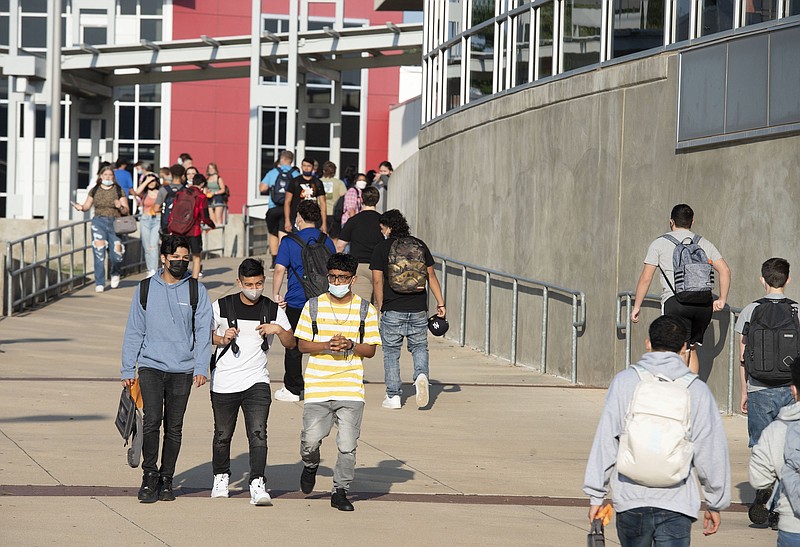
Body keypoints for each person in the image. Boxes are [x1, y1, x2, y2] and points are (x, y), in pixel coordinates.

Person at [583, 315, 731, 546]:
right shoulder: (697, 390)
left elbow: (606, 440)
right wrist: (715, 502)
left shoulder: (625, 382)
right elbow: (711, 451)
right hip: (677, 503)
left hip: (631, 500)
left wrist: (596, 495)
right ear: (684, 348)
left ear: (648, 344)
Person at [121, 234, 213, 503]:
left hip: (182, 370)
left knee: (174, 427)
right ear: (163, 258)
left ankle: (167, 479)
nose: (181, 263)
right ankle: (149, 476)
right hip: (150, 365)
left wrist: (200, 367)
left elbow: (202, 332)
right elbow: (134, 330)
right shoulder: (145, 288)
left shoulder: (197, 290)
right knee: (151, 422)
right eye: (175, 258)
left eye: (185, 259)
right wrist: (128, 369)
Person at [294, 253, 381, 511]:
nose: (337, 281)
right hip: (318, 385)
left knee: (347, 445)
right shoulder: (313, 306)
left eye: (342, 278)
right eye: (332, 276)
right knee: (310, 440)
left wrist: (351, 345)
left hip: (350, 387)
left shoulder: (366, 309)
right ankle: (310, 465)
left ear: (352, 279)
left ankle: (340, 490)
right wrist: (326, 345)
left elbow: (371, 350)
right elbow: (301, 344)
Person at [209, 258, 295, 505]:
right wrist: (221, 338)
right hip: (224, 381)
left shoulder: (273, 309)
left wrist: (278, 330)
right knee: (222, 434)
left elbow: (291, 344)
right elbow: (203, 335)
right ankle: (221, 476)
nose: (254, 288)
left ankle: (257, 482)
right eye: (248, 284)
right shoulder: (221, 306)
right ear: (239, 282)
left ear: (264, 281)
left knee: (258, 434)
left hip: (257, 380)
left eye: (258, 283)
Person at [630, 204, 731, 374]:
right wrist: (722, 299)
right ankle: (691, 390)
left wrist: (637, 307)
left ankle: (677, 390)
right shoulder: (703, 242)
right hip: (703, 305)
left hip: (675, 302)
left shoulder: (660, 243)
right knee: (691, 348)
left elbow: (646, 278)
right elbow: (725, 270)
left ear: (671, 222)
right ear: (692, 221)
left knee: (675, 350)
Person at [736, 257, 799, 526]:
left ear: (762, 280)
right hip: (790, 388)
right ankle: (778, 508)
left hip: (759, 388)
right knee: (788, 448)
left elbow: (742, 356)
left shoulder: (750, 310)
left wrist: (744, 392)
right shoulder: (797, 310)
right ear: (788, 280)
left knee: (762, 445)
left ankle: (765, 489)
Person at [370, 209, 446, 409]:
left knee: (391, 352)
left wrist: (380, 306)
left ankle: (393, 396)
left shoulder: (382, 248)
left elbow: (377, 280)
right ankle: (421, 375)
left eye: (382, 228)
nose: (382, 232)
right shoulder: (419, 245)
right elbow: (431, 276)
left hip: (393, 308)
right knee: (419, 347)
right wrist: (441, 303)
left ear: (389, 227)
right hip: (418, 307)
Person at [271, 200, 336, 402]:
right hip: (323, 301)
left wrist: (276, 294)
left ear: (299, 216)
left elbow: (280, 269)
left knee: (293, 346)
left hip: (297, 301)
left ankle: (293, 389)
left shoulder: (289, 242)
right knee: (324, 344)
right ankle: (323, 386)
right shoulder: (327, 241)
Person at [750, 362, 800, 545]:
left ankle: (774, 507)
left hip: (793, 526)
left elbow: (758, 479)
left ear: (793, 390)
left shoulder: (777, 429)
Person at [73, 166, 130, 293]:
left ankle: (115, 272)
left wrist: (120, 206)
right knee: (99, 253)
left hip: (115, 223)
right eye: (105, 175)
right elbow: (87, 206)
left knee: (116, 255)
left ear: (113, 177)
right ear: (100, 176)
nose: (108, 177)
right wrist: (80, 207)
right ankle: (100, 282)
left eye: (110, 175)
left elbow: (126, 210)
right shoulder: (95, 190)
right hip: (98, 222)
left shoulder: (118, 190)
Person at [336, 186, 382, 303]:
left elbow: (340, 245)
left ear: (361, 199)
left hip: (359, 266)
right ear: (377, 200)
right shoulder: (383, 221)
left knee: (361, 305)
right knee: (378, 305)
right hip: (379, 266)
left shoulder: (354, 220)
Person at [259, 150, 299, 271]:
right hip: (289, 208)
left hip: (273, 208)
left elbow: (262, 188)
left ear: (281, 159)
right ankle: (284, 260)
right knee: (285, 233)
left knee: (273, 233)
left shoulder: (273, 172)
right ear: (291, 160)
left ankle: (274, 260)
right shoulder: (296, 174)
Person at [173, 172, 215, 280]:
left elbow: (174, 211)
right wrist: (212, 225)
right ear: (202, 184)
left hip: (178, 229)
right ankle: (194, 281)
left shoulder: (180, 193)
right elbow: (205, 216)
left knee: (179, 255)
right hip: (193, 230)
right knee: (196, 256)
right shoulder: (201, 196)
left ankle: (177, 278)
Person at [284, 157, 327, 234]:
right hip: (297, 217)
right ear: (301, 167)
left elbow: (323, 203)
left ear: (313, 167)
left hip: (313, 218)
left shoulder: (317, 182)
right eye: (304, 165)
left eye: (309, 166)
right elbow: (287, 202)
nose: (306, 168)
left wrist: (324, 223)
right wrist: (287, 220)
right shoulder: (295, 181)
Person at [134, 172, 162, 277]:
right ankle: (149, 268)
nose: (151, 183)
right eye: (149, 181)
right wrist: (146, 181)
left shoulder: (160, 192)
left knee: (153, 245)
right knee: (146, 246)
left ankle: (153, 270)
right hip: (145, 219)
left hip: (157, 219)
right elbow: (137, 192)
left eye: (153, 181)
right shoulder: (144, 193)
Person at [155, 164, 187, 235]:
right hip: (181, 226)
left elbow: (156, 209)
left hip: (166, 226)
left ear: (171, 174)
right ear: (183, 176)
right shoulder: (186, 191)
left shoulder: (163, 190)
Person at [320, 161, 347, 240]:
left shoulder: (318, 182)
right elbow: (343, 197)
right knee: (334, 238)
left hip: (320, 213)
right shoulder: (339, 183)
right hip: (335, 214)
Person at [205, 162, 228, 226]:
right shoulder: (207, 179)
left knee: (218, 217)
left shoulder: (219, 178)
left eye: (212, 168)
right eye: (209, 168)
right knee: (211, 217)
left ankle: (219, 231)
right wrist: (207, 191)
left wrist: (215, 192)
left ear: (215, 169)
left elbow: (223, 189)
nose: (211, 170)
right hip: (209, 198)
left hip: (218, 198)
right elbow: (205, 188)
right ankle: (214, 230)